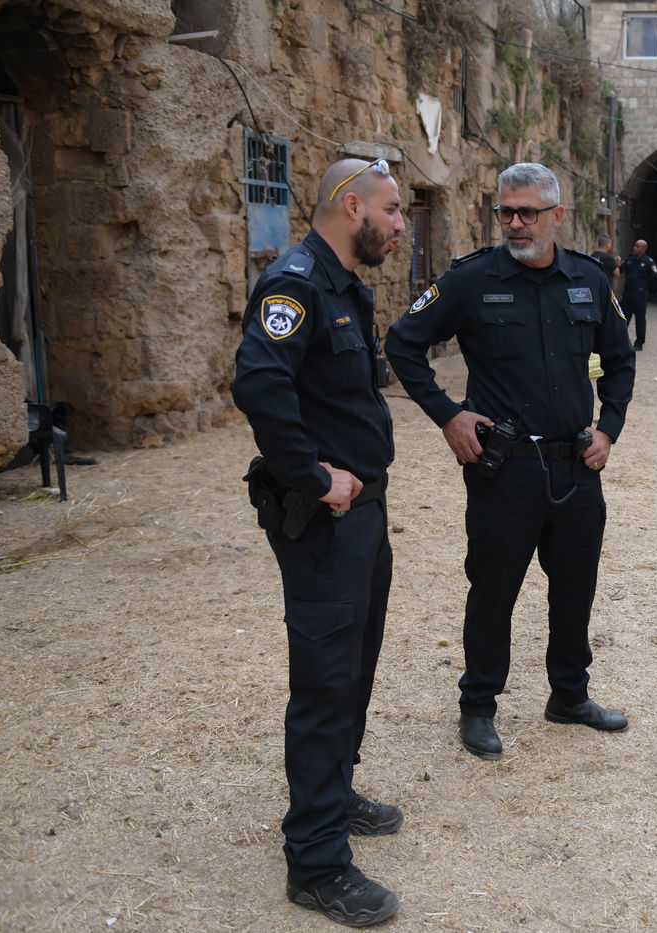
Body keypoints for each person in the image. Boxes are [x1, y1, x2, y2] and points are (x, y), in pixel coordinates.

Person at [386, 162, 636, 761]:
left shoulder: (589, 280)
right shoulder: (471, 281)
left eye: (528, 212)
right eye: (506, 212)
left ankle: (569, 696)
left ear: (556, 216)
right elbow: (402, 342)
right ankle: (478, 706)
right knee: (494, 590)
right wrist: (448, 413)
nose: (516, 224)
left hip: (577, 467)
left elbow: (620, 359)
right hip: (504, 470)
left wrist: (609, 428)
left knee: (576, 588)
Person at [231, 157, 407, 927]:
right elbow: (260, 386)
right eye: (394, 210)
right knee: (325, 679)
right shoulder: (295, 283)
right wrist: (310, 476)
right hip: (325, 519)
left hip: (364, 516)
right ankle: (316, 860)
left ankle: (335, 795)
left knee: (355, 665)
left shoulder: (344, 284)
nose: (402, 224)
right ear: (349, 206)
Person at [621, 239, 657, 350]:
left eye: (637, 246)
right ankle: (621, 341)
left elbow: (656, 277)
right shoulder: (629, 260)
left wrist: (645, 288)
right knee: (623, 318)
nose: (634, 248)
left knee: (640, 319)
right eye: (634, 246)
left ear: (643, 249)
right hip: (628, 295)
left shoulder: (648, 262)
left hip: (640, 295)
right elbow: (619, 269)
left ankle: (639, 343)